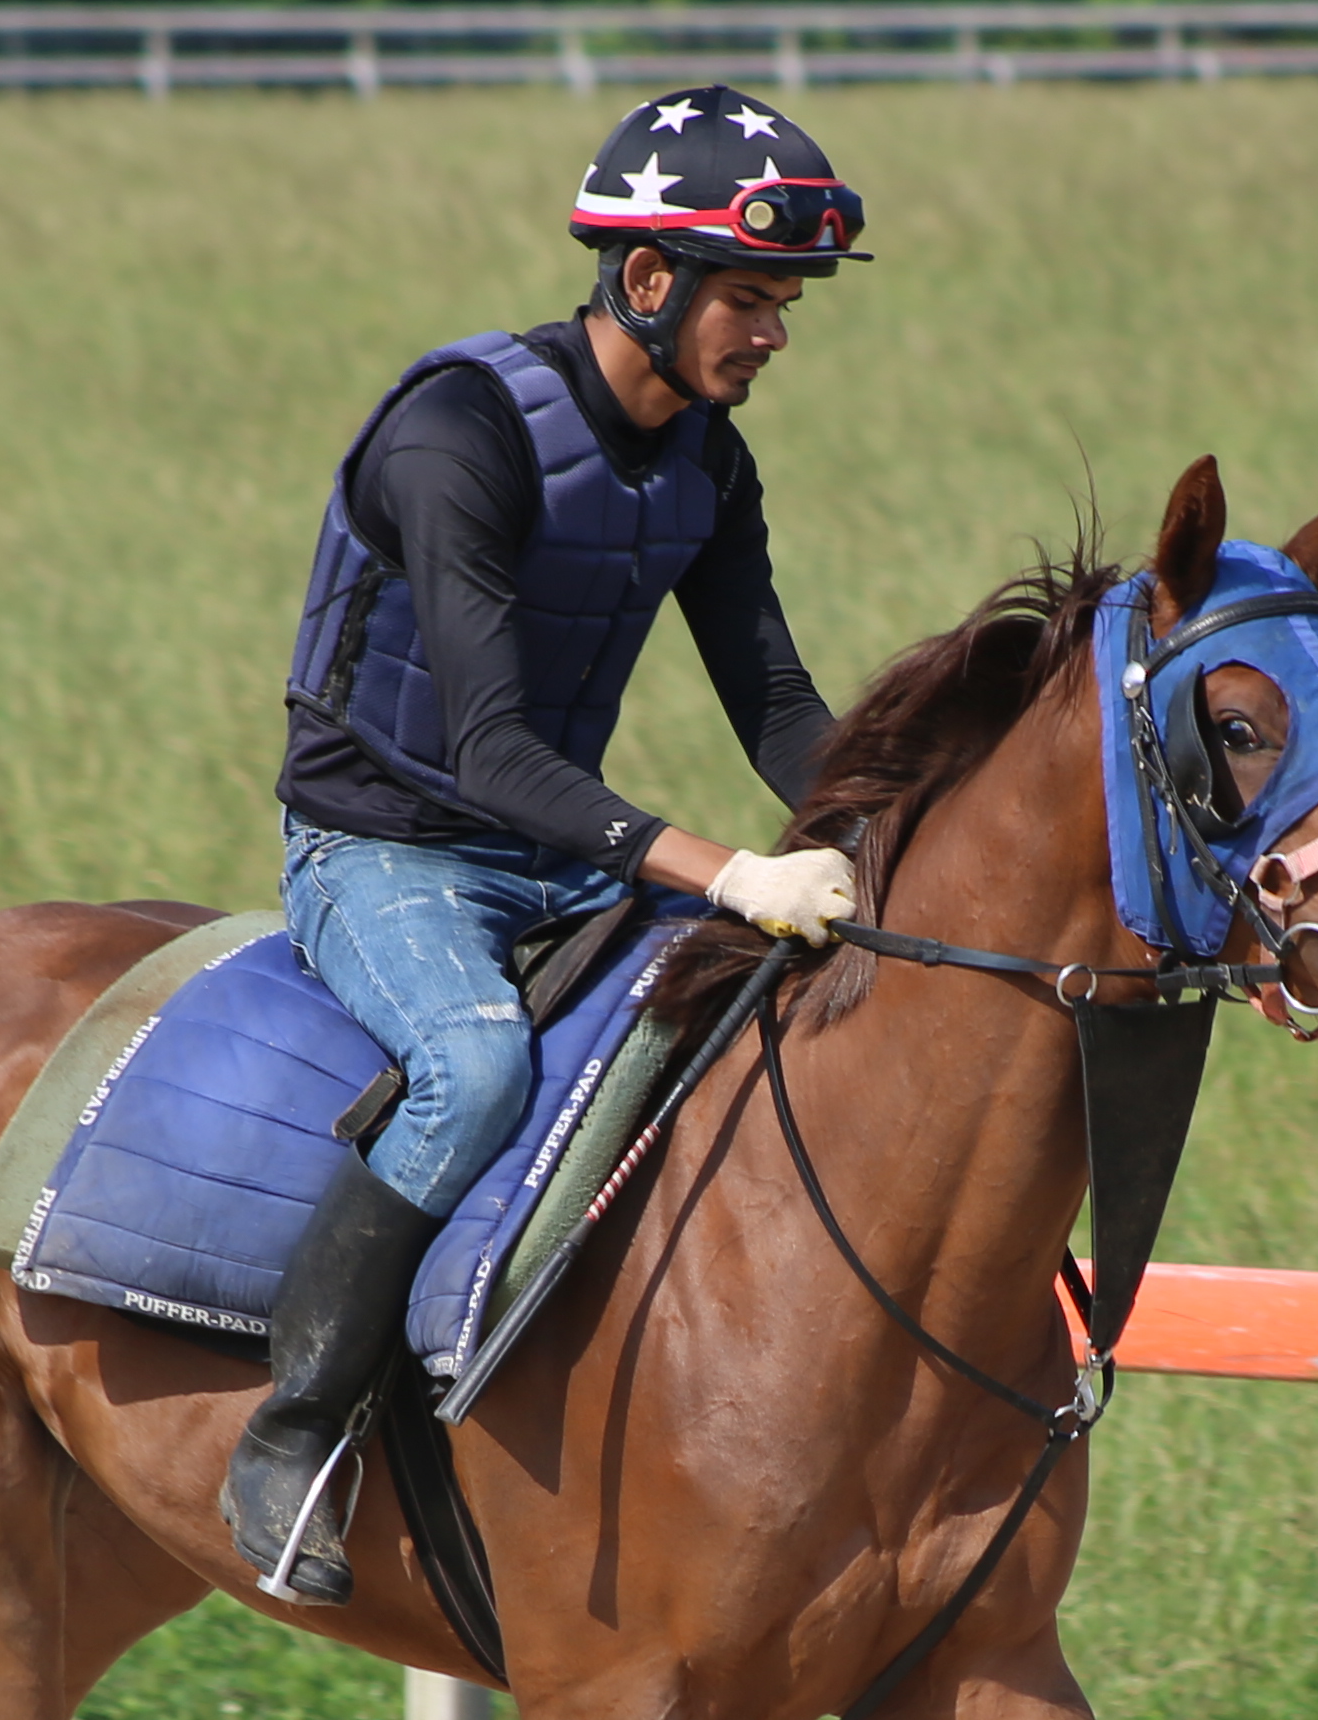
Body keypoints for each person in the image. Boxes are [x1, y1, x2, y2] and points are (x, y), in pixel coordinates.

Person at [227, 83, 873, 1603]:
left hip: (552, 852)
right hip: (379, 850)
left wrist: (888, 828)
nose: (774, 335)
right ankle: (297, 1427)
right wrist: (733, 873)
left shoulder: (708, 463)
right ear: (647, 282)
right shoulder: (455, 435)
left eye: (786, 306)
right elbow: (493, 752)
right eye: (751, 300)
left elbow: (775, 702)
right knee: (478, 1068)